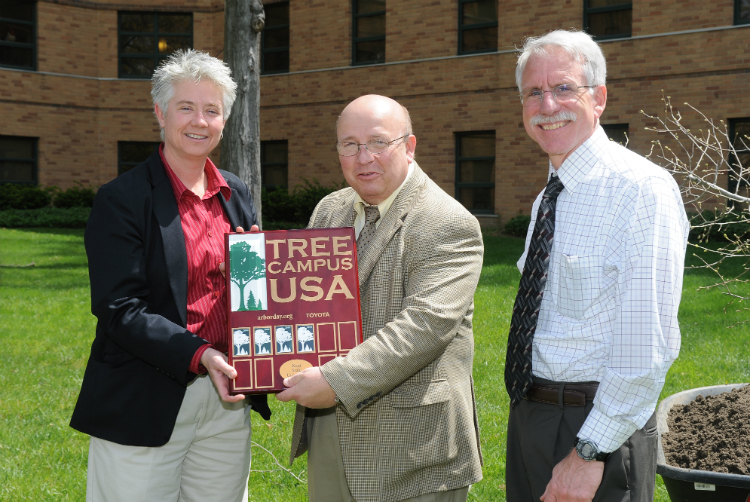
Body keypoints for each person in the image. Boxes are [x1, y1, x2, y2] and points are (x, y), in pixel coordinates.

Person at [70, 49, 270, 502]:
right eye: (186, 107)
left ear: (224, 121)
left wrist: (262, 271)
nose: (199, 120)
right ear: (160, 112)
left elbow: (249, 292)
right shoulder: (122, 199)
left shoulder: (234, 191)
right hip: (144, 396)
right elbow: (120, 309)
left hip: (226, 396)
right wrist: (198, 355)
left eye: (212, 110)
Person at [504, 29, 689, 502]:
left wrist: (589, 452)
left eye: (564, 88)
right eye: (534, 92)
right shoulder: (550, 194)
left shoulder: (640, 190)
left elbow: (646, 345)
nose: (548, 105)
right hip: (532, 414)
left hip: (598, 429)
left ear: (599, 98)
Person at [276, 94, 484, 502]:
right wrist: (261, 277)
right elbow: (305, 301)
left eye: (377, 142)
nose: (362, 156)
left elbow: (423, 329)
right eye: (349, 144)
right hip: (329, 430)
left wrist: (334, 381)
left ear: (409, 146)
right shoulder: (329, 210)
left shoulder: (448, 222)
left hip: (412, 449)